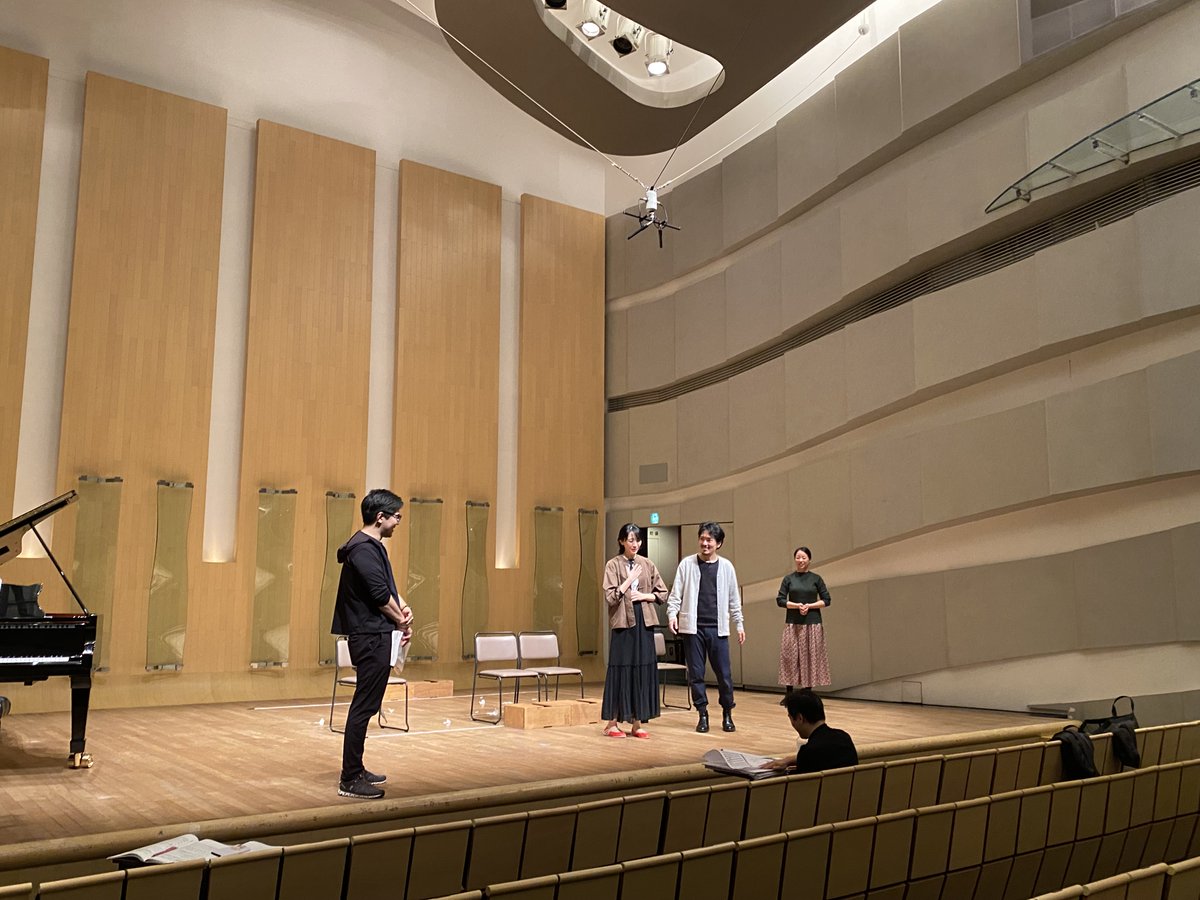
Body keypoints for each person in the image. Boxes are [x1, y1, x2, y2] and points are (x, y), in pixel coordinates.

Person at [331, 488, 414, 799]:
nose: (398, 522)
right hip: (370, 637)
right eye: (396, 517)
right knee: (364, 706)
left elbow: (386, 587)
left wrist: (403, 607)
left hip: (376, 634)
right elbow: (379, 596)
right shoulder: (363, 549)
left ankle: (357, 768)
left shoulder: (370, 547)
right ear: (380, 517)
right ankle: (350, 778)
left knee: (368, 705)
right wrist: (401, 621)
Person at [667, 522, 745, 733]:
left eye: (709, 540)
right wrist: (672, 615)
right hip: (693, 629)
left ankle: (727, 712)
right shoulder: (687, 564)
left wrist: (739, 624)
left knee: (724, 676)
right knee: (696, 674)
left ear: (718, 543)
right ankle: (702, 713)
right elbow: (675, 594)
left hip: (718, 629)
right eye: (702, 538)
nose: (705, 543)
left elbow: (734, 599)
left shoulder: (726, 567)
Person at [600, 523, 668, 739]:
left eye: (638, 540)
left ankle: (637, 723)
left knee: (642, 669)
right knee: (621, 669)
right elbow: (610, 597)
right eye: (630, 540)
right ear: (622, 541)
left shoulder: (647, 564)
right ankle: (612, 723)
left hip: (644, 622)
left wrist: (645, 596)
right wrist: (628, 581)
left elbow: (663, 593)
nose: (635, 544)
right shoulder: (613, 565)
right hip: (623, 623)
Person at [776, 546, 832, 692]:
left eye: (804, 557)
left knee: (810, 658)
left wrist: (809, 606)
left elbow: (827, 600)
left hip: (812, 624)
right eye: (798, 557)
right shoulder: (788, 579)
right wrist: (796, 606)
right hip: (793, 623)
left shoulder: (816, 578)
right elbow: (780, 600)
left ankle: (808, 692)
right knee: (790, 658)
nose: (800, 560)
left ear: (809, 560)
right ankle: (789, 693)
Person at [765, 689, 858, 773]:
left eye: (790, 718)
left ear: (800, 718)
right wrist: (789, 760)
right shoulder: (844, 738)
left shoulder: (809, 751)